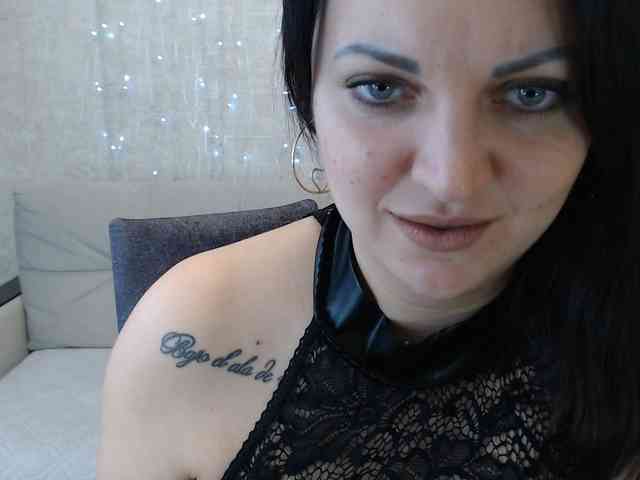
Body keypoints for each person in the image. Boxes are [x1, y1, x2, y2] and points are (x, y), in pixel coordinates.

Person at [97, 1, 640, 478]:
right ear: (309, 97)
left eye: (531, 94)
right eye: (381, 88)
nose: (451, 181)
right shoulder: (188, 331)